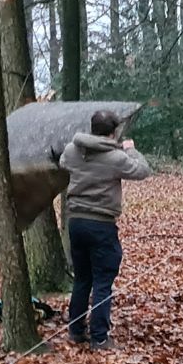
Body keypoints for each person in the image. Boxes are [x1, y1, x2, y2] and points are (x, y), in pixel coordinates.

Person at [59, 110, 151, 348]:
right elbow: (142, 170)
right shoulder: (116, 158)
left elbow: (62, 162)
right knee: (102, 281)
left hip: (76, 222)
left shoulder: (73, 149)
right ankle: (99, 337)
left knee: (82, 278)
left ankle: (76, 330)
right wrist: (130, 149)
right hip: (101, 225)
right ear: (113, 132)